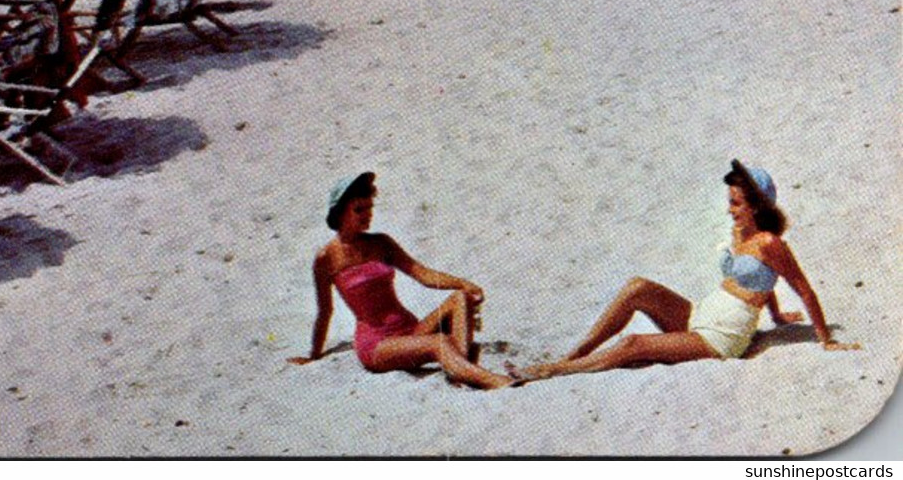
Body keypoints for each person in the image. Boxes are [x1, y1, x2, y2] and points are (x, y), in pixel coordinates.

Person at [518, 161, 859, 382]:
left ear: (756, 206)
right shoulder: (742, 233)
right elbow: (761, 279)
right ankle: (579, 352)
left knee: (633, 344)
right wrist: (778, 315)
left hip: (721, 338)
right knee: (637, 287)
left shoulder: (771, 243)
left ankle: (557, 370)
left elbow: (803, 289)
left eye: (737, 204)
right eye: (730, 201)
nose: (730, 210)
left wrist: (825, 339)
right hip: (700, 315)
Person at [288, 171, 512, 390]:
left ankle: (461, 370)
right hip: (377, 345)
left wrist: (464, 284)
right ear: (339, 213)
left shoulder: (381, 242)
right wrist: (314, 355)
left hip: (411, 330)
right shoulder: (326, 258)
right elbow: (325, 311)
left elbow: (422, 274)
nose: (367, 215)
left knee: (461, 298)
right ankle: (494, 380)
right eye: (359, 209)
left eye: (369, 208)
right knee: (440, 342)